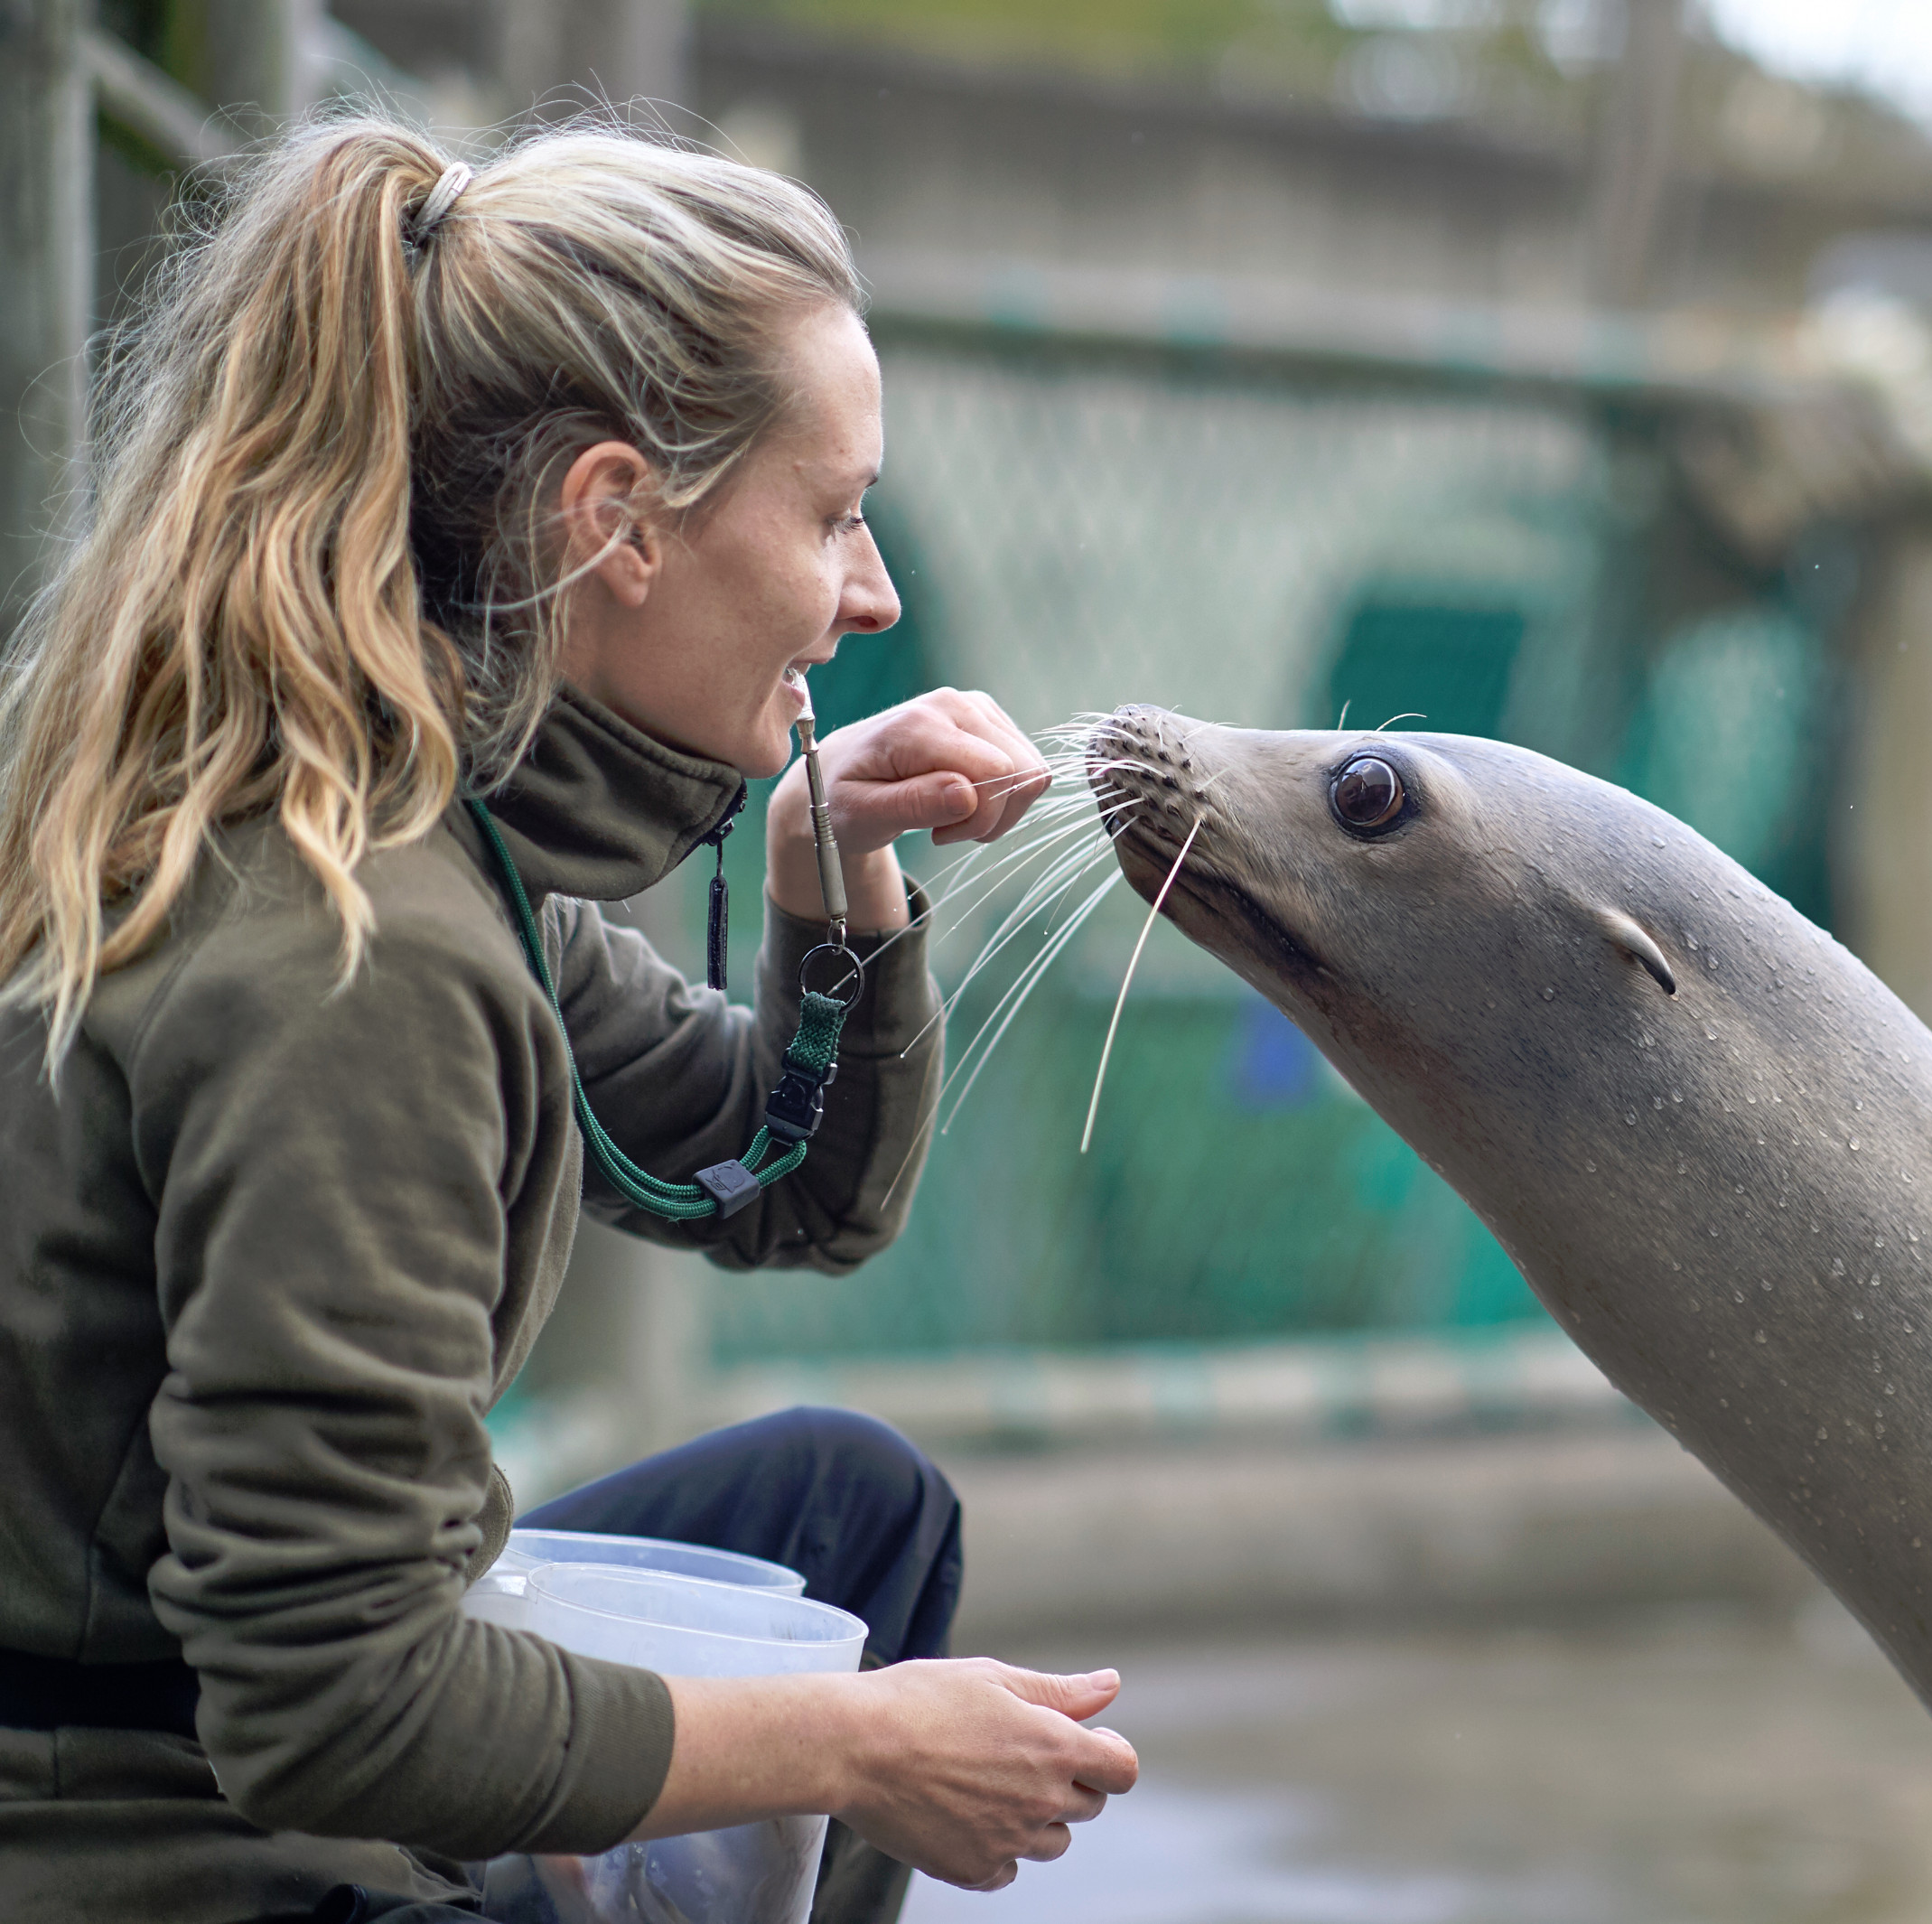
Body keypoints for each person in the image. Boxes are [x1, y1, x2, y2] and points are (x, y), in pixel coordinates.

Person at [0, 115, 1138, 1922]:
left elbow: (782, 1187)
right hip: (162, 1849)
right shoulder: (361, 959)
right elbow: (333, 1706)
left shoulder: (417, 836)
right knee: (831, 1689)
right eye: (833, 514)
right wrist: (857, 1745)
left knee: (852, 1506)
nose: (875, 594)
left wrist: (827, 867)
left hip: (223, 1747)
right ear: (614, 518)